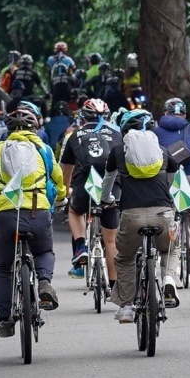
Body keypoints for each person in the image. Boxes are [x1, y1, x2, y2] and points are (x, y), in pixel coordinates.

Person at [0, 108, 67, 337]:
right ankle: (44, 282)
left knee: (2, 267)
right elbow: (57, 177)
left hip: (6, 214)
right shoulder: (43, 149)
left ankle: (5, 319)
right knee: (44, 250)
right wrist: (62, 197)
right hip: (38, 211)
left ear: (9, 130)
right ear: (35, 129)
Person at [105, 110, 182, 322]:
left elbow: (108, 180)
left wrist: (106, 199)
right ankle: (168, 280)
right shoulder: (162, 151)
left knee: (125, 258)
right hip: (163, 213)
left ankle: (127, 307)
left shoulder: (119, 151)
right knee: (170, 249)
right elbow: (172, 178)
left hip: (131, 215)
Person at [60, 99, 121, 284]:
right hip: (110, 188)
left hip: (84, 185)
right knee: (111, 241)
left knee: (75, 210)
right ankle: (114, 285)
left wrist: (64, 191)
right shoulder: (117, 134)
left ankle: (80, 247)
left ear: (83, 117)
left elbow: (67, 169)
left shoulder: (75, 135)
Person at [154, 98, 190, 273]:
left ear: (165, 113)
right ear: (184, 114)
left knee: (169, 215)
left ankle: (169, 255)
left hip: (169, 177)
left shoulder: (155, 131)